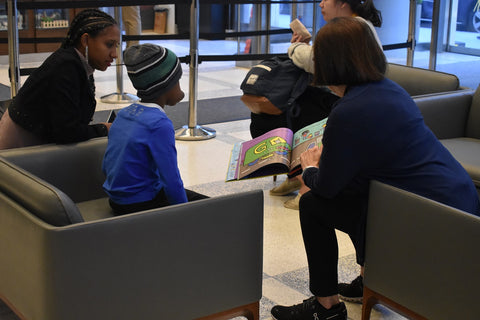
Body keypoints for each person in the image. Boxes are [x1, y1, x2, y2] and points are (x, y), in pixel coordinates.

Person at [270, 17, 480, 320]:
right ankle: (369, 277)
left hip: (429, 217)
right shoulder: (389, 89)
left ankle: (326, 307)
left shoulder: (349, 111)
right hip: (457, 202)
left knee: (314, 204)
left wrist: (310, 168)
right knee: (359, 190)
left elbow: (327, 186)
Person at [269, 0, 383, 210]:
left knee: (300, 109)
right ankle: (299, 172)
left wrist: (295, 47)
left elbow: (317, 61)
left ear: (342, 3)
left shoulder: (354, 28)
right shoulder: (352, 25)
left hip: (349, 101)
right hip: (348, 97)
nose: (320, 3)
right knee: (292, 105)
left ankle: (307, 184)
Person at [102, 43, 207, 215]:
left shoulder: (124, 114)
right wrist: (185, 215)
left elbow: (107, 165)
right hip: (141, 202)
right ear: (166, 85)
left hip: (116, 200)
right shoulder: (159, 124)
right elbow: (172, 181)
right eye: (177, 80)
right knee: (212, 207)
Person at [0, 9, 119, 149]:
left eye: (116, 46)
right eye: (109, 45)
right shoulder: (66, 67)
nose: (115, 54)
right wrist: (103, 129)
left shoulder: (77, 63)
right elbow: (66, 132)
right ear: (85, 40)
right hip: (20, 148)